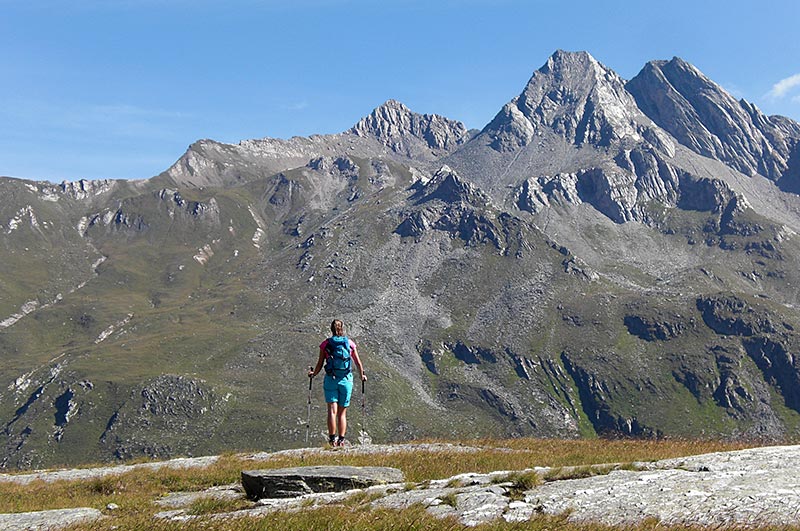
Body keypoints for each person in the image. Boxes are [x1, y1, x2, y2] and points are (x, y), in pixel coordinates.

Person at [308, 319, 367, 446]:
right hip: (346, 380)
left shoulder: (325, 345)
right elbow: (357, 362)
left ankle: (331, 439)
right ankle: (341, 440)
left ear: (331, 329)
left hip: (331, 380)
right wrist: (362, 375)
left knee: (331, 411)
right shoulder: (350, 344)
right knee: (342, 413)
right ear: (342, 329)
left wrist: (314, 374)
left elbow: (320, 363)